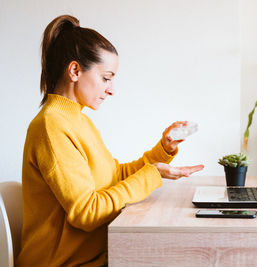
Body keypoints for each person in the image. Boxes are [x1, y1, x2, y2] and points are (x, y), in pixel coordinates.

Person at [16, 15, 204, 267]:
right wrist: (152, 175)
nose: (112, 89)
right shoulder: (52, 125)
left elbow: (115, 177)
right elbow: (87, 213)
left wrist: (163, 151)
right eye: (106, 78)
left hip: (99, 256)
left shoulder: (78, 121)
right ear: (74, 71)